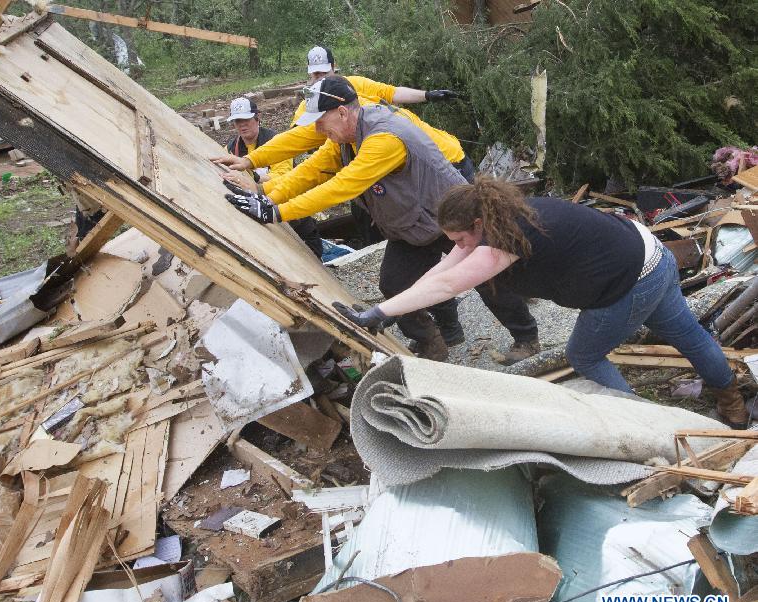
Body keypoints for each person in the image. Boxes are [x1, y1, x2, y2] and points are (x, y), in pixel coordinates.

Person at [332, 177, 750, 428]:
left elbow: (450, 285)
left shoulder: (508, 240)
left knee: (584, 356)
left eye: (460, 238)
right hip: (652, 257)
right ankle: (733, 407)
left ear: (477, 225)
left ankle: (647, 425)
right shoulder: (499, 220)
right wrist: (385, 308)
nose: (455, 246)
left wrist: (383, 311)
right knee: (687, 333)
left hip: (630, 279)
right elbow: (443, 271)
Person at [222, 76, 538, 362]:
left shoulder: (385, 137)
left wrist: (276, 214)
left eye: (321, 122)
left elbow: (341, 187)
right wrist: (266, 197)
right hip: (411, 225)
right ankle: (432, 342)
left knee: (485, 278)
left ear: (343, 113)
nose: (317, 131)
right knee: (394, 283)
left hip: (451, 215)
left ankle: (526, 338)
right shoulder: (343, 140)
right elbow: (310, 173)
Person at [213, 45, 475, 247]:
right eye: (313, 74)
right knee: (410, 247)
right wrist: (260, 181)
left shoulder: (361, 102)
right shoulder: (327, 117)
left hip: (445, 164)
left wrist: (426, 95)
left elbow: (392, 92)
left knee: (460, 244)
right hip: (394, 174)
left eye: (322, 73)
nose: (317, 79)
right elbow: (307, 157)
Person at [225, 96, 323, 258]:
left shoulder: (276, 143)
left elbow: (283, 177)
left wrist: (253, 177)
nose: (242, 125)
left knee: (313, 255)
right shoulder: (231, 148)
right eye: (237, 121)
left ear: (257, 118)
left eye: (246, 120)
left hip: (294, 217)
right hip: (260, 220)